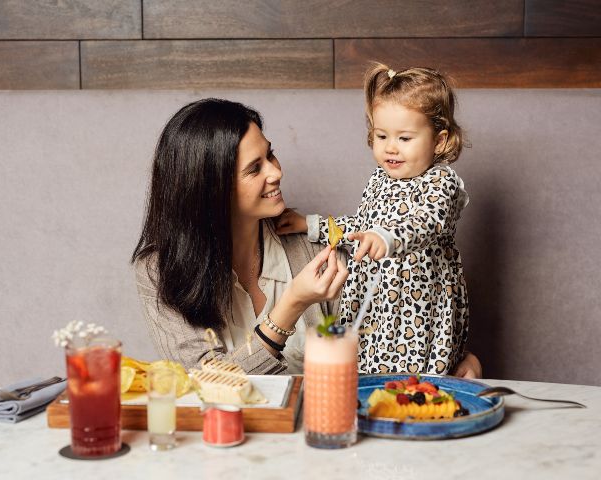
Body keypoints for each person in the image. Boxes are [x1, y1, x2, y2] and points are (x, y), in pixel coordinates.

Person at [276, 64, 481, 377]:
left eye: (405, 138)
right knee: (365, 367)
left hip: (420, 299)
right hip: (375, 297)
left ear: (439, 141)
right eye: (381, 135)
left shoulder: (443, 183)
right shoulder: (379, 179)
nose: (390, 147)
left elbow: (426, 224)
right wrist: (312, 224)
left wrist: (386, 238)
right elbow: (363, 226)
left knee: (413, 376)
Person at [131, 98, 348, 374]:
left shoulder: (316, 248)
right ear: (212, 191)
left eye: (270, 155)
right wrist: (292, 304)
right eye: (254, 168)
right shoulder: (159, 272)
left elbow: (356, 367)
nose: (276, 172)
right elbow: (206, 384)